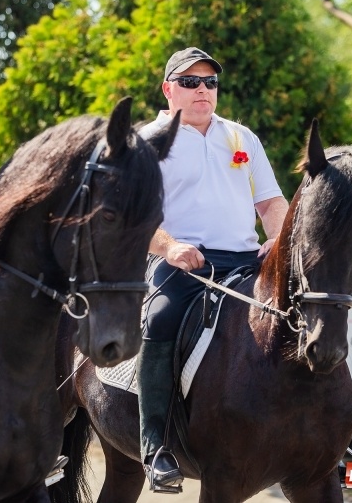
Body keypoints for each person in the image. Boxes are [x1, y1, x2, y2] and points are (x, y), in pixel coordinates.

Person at [136, 47, 290, 493]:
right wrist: (170, 247)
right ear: (168, 89)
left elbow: (271, 202)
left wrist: (278, 239)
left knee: (303, 313)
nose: (202, 89)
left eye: (209, 82)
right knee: (160, 318)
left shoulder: (243, 137)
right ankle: (156, 447)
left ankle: (325, 439)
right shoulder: (148, 142)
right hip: (182, 263)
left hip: (245, 260)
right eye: (189, 82)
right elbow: (137, 217)